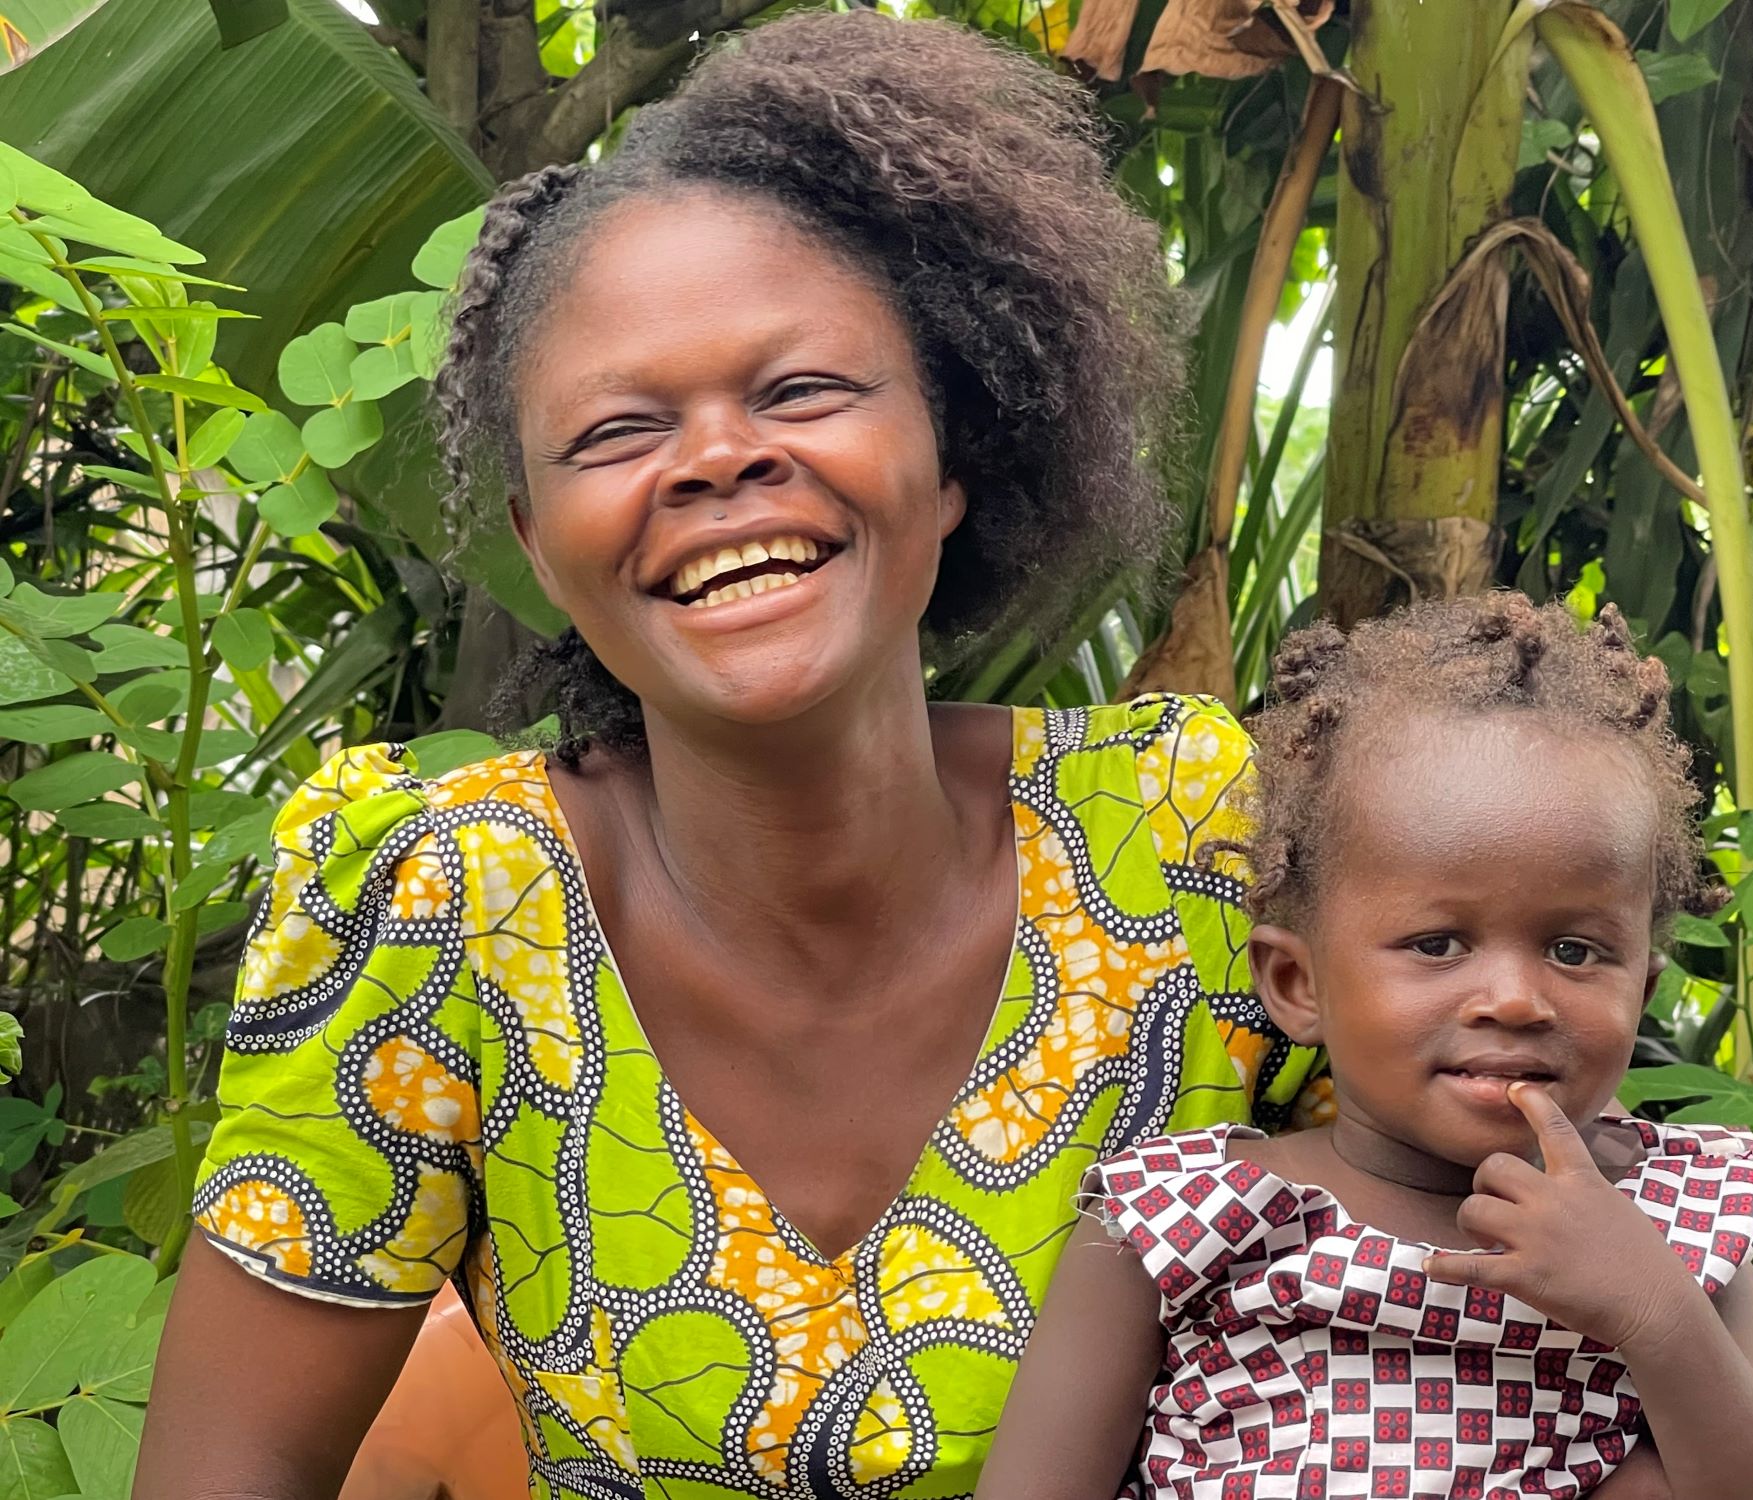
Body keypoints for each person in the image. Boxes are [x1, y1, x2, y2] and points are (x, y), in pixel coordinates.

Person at [133, 12, 1322, 1498]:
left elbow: (1524, 1323)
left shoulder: (1200, 846)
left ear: (949, 459)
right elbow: (227, 1469)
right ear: (536, 550)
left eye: (800, 391)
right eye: (618, 431)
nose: (712, 460)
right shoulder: (451, 904)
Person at [974, 595, 1753, 1500]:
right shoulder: (1182, 1225)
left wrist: (1656, 1316)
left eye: (1575, 951)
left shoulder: (1672, 1226)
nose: (1513, 999)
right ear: (1296, 986)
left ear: (1645, 990)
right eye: (1437, 944)